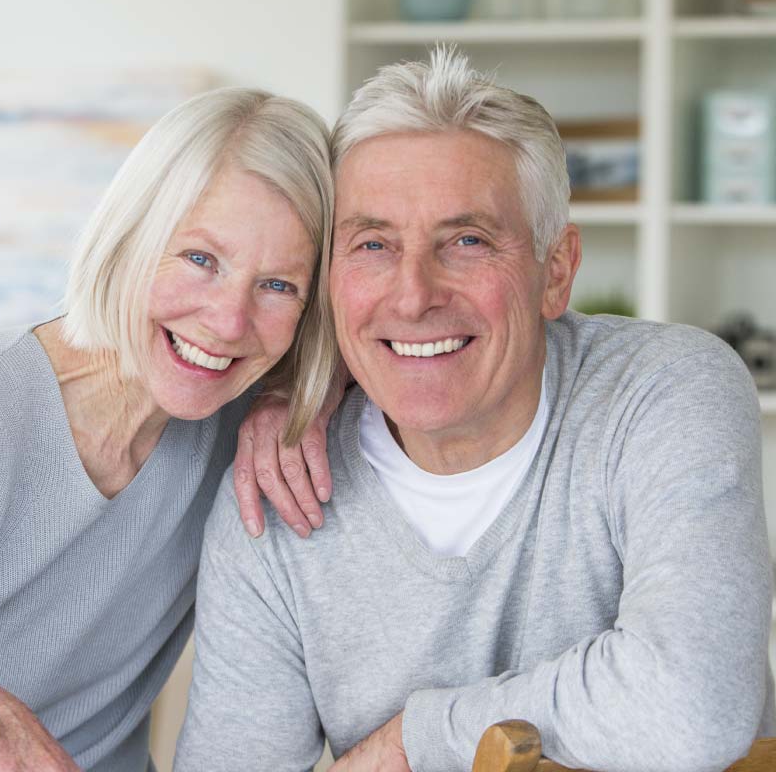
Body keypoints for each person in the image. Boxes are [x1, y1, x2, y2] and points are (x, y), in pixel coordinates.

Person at [175, 47, 776, 772]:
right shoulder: (276, 487)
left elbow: (690, 710)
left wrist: (415, 739)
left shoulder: (663, 392)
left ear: (555, 272)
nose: (412, 295)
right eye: (372, 244)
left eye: (466, 241)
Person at [0, 87, 336, 771]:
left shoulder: (237, 421)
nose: (228, 322)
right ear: (131, 235)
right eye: (199, 259)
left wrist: (307, 393)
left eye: (278, 286)